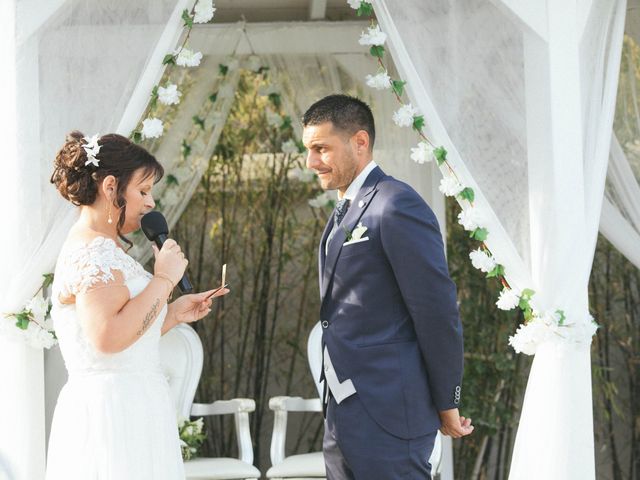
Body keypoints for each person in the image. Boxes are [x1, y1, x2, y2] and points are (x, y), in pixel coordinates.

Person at [302, 95, 473, 479]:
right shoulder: (344, 210)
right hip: (343, 413)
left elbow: (436, 311)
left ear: (359, 142)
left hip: (392, 414)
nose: (311, 162)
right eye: (309, 150)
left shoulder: (396, 204)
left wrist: (447, 401)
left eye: (321, 149)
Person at [46, 131, 229, 480]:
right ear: (111, 186)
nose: (150, 204)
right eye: (143, 191)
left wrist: (172, 312)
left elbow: (126, 339)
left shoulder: (107, 248)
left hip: (137, 405)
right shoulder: (91, 250)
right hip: (112, 413)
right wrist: (162, 282)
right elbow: (107, 339)